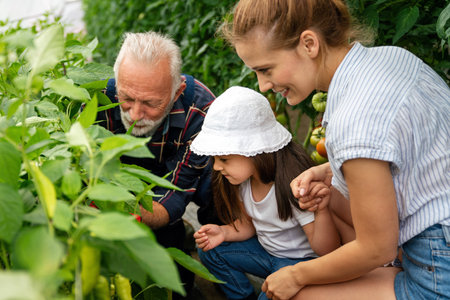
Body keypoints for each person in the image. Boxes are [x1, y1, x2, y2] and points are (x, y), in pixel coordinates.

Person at [218, 1, 450, 299]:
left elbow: (377, 248)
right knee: (332, 192)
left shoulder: (352, 122)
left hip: (438, 270)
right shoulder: (392, 58)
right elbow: (411, 147)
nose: (263, 85)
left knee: (294, 295)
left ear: (309, 44)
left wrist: (294, 274)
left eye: (266, 69)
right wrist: (329, 169)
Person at [96, 31, 219, 299]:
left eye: (151, 103)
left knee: (219, 182)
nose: (135, 114)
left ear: (178, 92)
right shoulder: (96, 99)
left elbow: (178, 188)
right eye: (126, 98)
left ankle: (219, 256)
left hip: (173, 179)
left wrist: (133, 218)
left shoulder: (199, 108)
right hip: (119, 180)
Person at [190, 86, 340, 300]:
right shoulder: (243, 182)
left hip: (300, 264)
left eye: (223, 159)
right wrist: (224, 233)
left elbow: (326, 249)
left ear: (253, 151)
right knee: (210, 251)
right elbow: (247, 226)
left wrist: (322, 212)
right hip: (267, 254)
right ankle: (242, 296)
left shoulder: (293, 184)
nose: (215, 167)